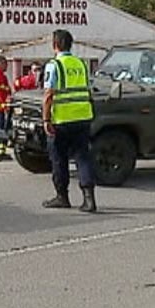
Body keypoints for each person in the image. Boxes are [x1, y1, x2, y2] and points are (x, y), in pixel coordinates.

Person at [41, 28, 97, 213]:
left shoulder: (54, 65)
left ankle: (62, 196)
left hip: (62, 120)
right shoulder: (81, 64)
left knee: (58, 159)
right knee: (83, 157)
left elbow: (49, 95)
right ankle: (89, 199)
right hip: (82, 117)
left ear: (55, 44)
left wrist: (45, 119)